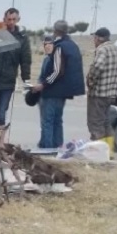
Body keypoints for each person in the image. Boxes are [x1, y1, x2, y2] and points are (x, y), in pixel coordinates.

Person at [32, 20, 86, 149]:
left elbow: (57, 71)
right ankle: (58, 148)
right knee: (57, 121)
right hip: (63, 92)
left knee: (48, 121)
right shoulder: (72, 45)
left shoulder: (59, 47)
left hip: (52, 91)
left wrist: (43, 85)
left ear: (55, 31)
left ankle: (47, 149)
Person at [86, 27, 117, 152]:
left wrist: (90, 81)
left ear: (98, 38)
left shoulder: (102, 50)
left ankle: (98, 153)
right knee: (107, 123)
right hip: (111, 93)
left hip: (99, 93)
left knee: (96, 124)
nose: (94, 40)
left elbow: (97, 67)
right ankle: (109, 152)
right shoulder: (116, 49)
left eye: (94, 38)